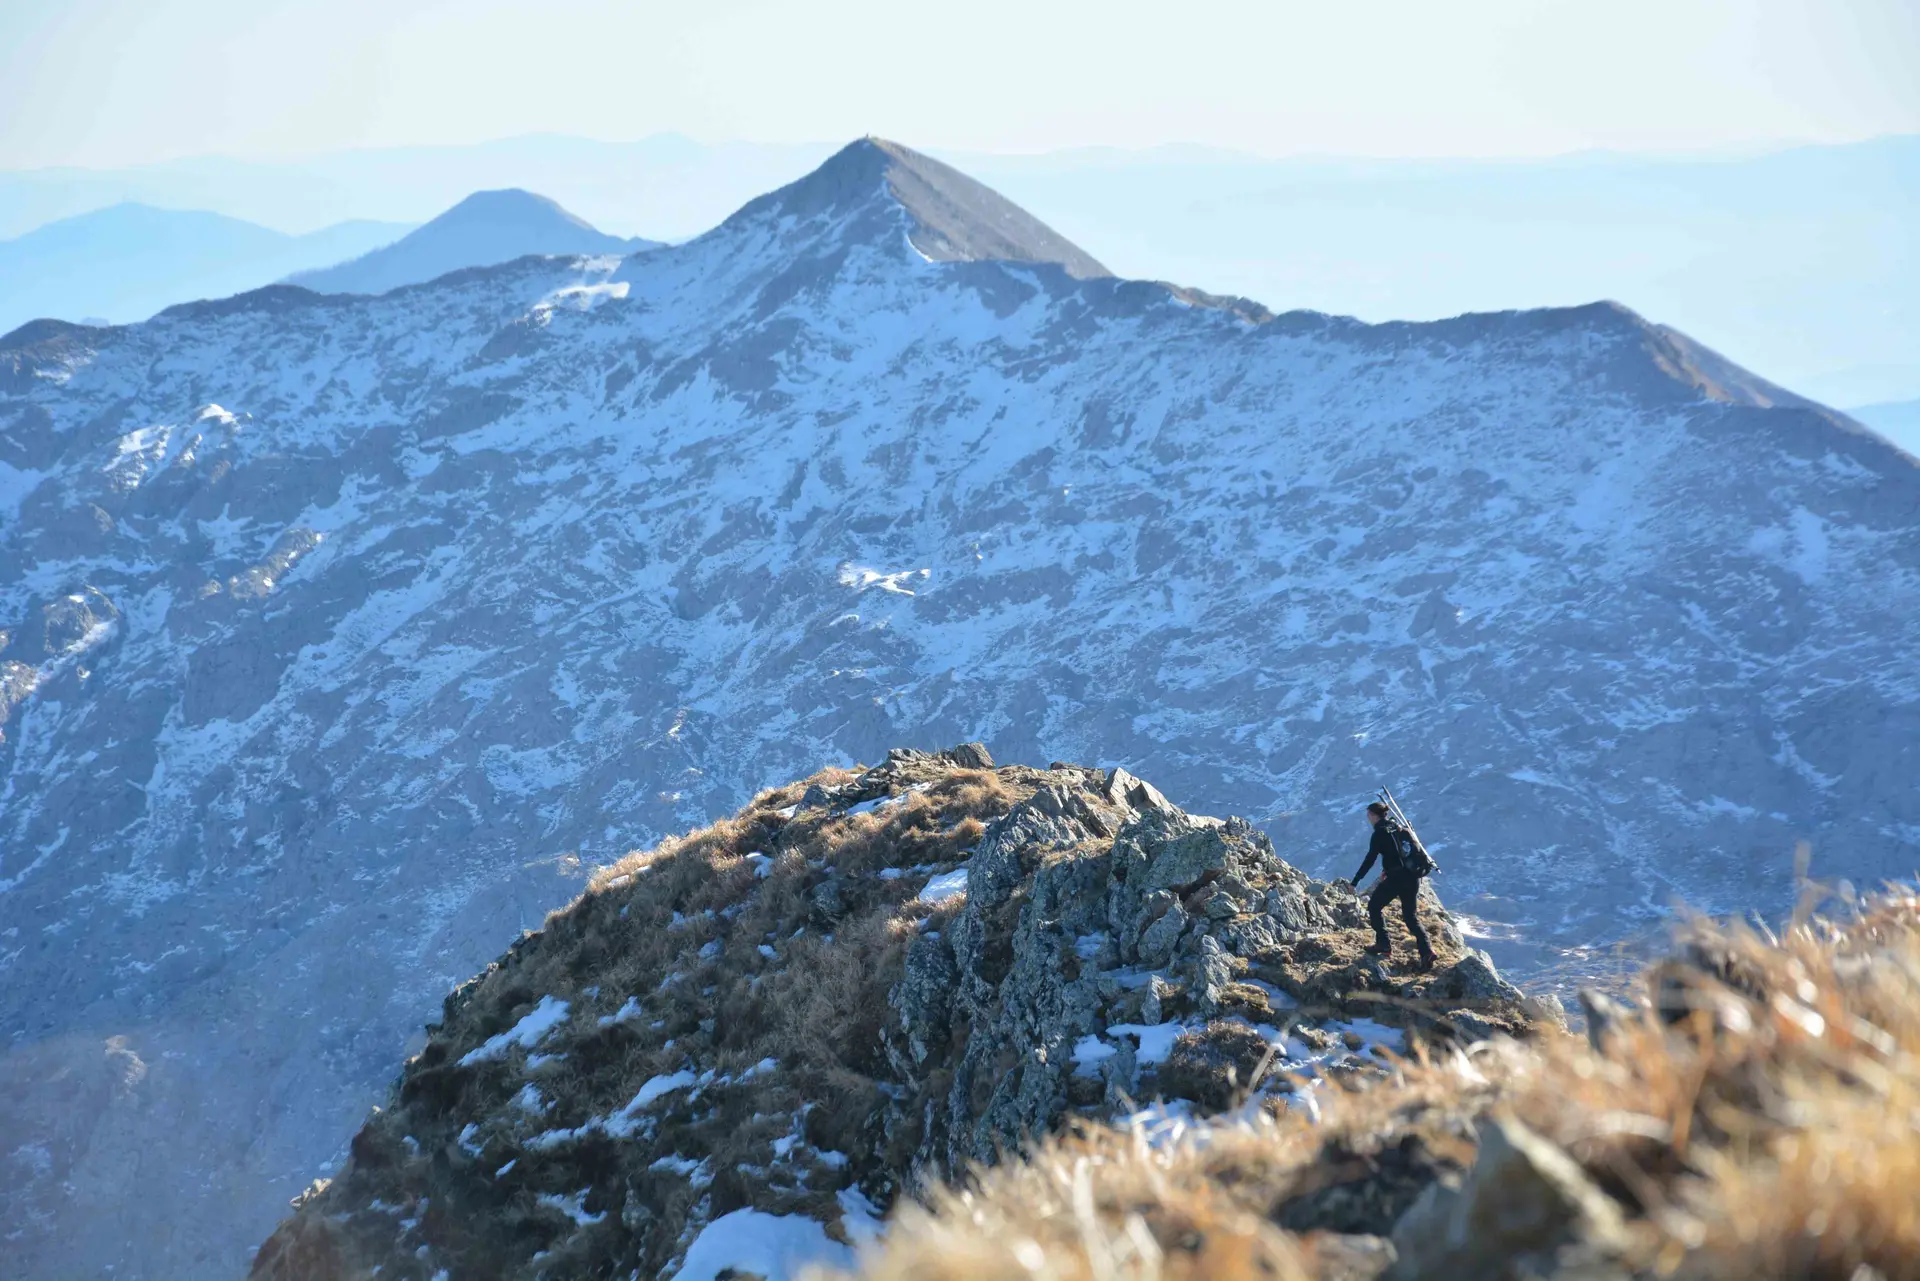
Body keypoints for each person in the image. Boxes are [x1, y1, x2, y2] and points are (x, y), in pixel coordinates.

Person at [1352, 800, 1436, 971]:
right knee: (1411, 917)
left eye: (1369, 815)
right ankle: (1427, 952)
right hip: (1413, 877)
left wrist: (1355, 881)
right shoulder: (1399, 828)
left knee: (1374, 906)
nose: (1368, 818)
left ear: (1374, 815)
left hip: (1397, 878)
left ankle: (1383, 944)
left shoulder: (1379, 833)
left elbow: (1370, 859)